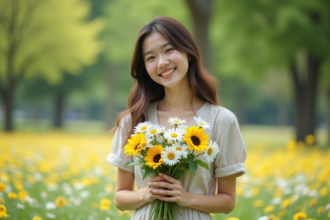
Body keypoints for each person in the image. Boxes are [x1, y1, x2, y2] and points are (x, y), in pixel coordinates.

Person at [106, 16, 247, 220]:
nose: (162, 63)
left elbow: (228, 201)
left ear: (188, 53)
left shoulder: (222, 121)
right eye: (151, 58)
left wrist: (187, 198)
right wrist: (147, 193)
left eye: (169, 50)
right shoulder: (135, 120)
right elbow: (120, 198)